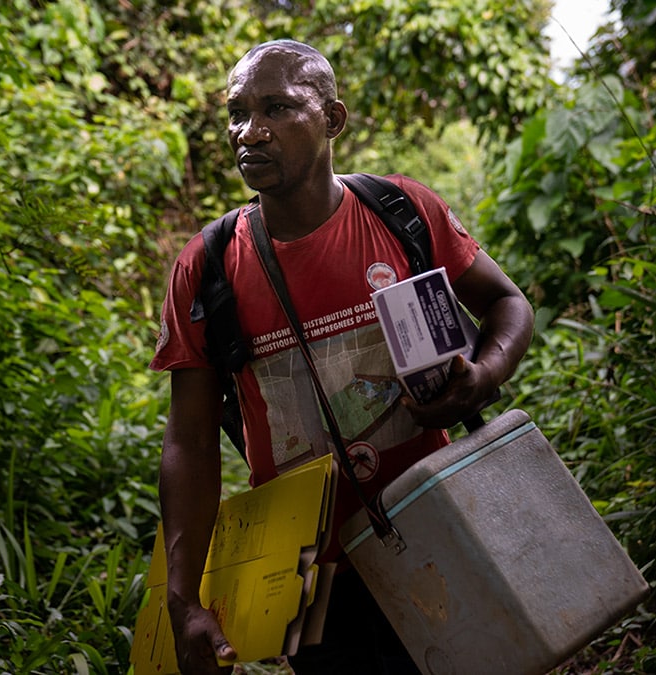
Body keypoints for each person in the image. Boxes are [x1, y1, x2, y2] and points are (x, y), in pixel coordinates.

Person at [150, 39, 534, 675]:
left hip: (439, 528)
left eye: (276, 107)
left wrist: (484, 375)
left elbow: (506, 303)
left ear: (332, 119)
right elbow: (189, 439)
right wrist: (181, 596)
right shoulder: (208, 266)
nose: (251, 131)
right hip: (306, 572)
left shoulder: (403, 211)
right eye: (238, 112)